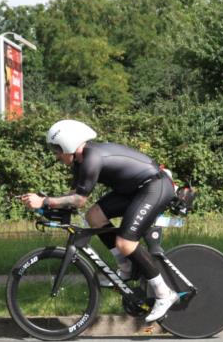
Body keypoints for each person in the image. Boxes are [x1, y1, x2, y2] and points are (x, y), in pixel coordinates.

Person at [20, 120, 179, 322]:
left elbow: (79, 201)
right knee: (94, 216)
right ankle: (127, 267)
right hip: (134, 190)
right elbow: (74, 195)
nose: (57, 156)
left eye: (57, 150)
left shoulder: (91, 158)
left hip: (155, 187)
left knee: (125, 243)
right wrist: (47, 205)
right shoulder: (80, 161)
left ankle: (165, 294)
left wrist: (44, 200)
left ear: (68, 143)